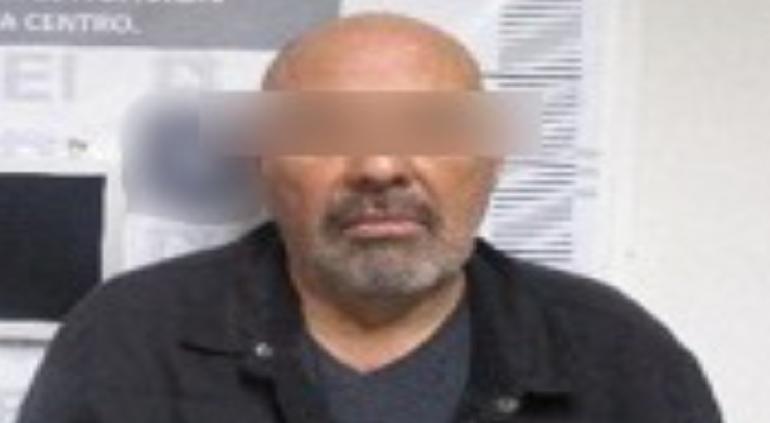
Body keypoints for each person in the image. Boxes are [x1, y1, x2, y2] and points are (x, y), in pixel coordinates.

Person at [18, 12, 722, 423]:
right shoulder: (129, 339)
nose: (380, 166)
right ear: (262, 158)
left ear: (493, 156)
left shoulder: (618, 356)